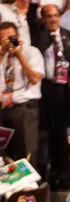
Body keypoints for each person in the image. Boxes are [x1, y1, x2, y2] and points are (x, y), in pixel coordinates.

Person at [35, 4, 70, 189]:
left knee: (67, 131)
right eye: (49, 16)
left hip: (66, 89)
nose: (53, 19)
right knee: (52, 132)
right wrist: (50, 37)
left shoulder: (69, 36)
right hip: (48, 90)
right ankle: (53, 172)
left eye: (56, 15)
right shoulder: (40, 38)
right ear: (44, 19)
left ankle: (66, 171)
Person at [0, 21, 44, 169]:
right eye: (3, 39)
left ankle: (30, 191)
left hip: (25, 110)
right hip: (4, 110)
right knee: (6, 157)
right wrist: (1, 56)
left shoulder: (31, 52)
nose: (8, 42)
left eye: (11, 37)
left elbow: (34, 78)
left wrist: (19, 56)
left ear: (18, 37)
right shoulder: (1, 56)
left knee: (27, 156)